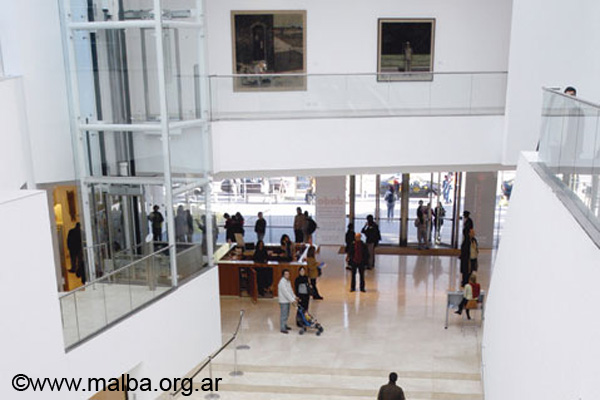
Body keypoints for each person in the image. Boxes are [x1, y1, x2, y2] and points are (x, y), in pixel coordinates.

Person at [277, 269, 298, 334]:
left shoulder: (288, 281)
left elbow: (290, 290)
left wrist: (294, 297)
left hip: (287, 301)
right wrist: (292, 300)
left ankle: (285, 325)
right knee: (284, 314)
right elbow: (286, 293)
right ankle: (282, 328)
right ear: (283, 275)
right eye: (286, 274)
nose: (287, 275)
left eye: (288, 274)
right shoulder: (282, 282)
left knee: (287, 314)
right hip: (283, 301)